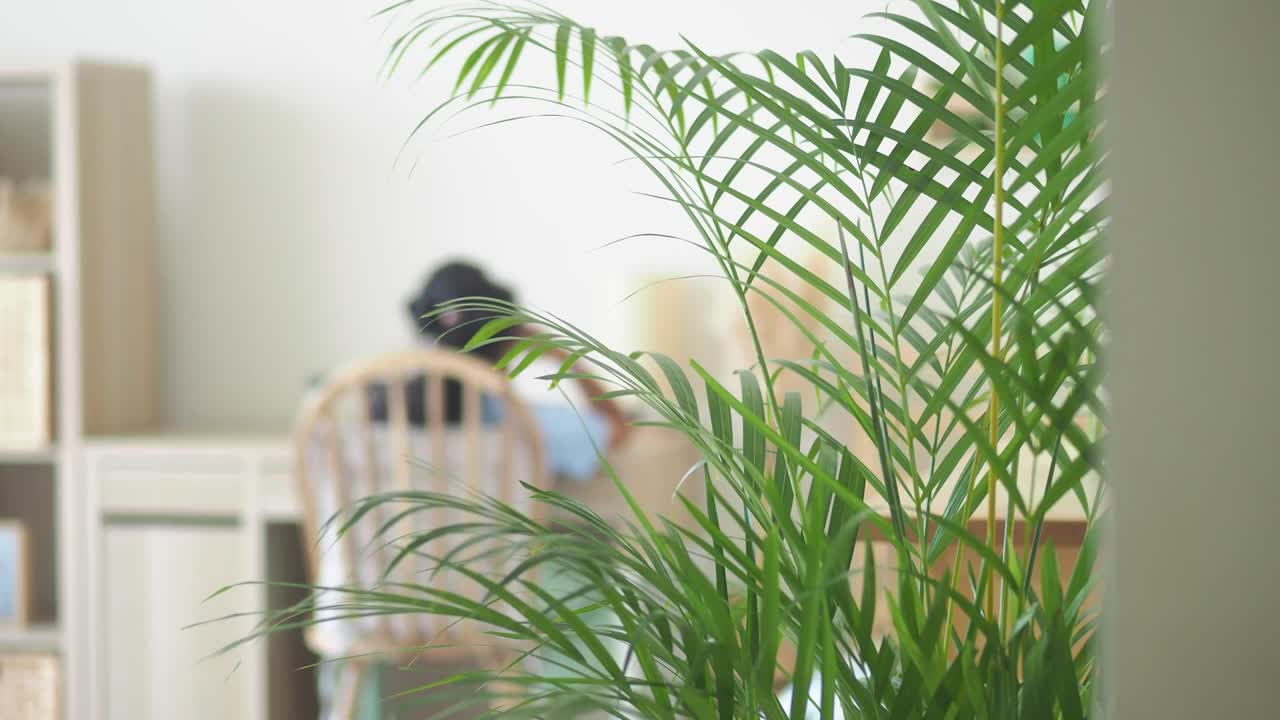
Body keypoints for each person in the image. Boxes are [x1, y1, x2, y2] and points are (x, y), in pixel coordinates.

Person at [368, 260, 630, 477]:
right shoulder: (520, 424)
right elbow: (618, 429)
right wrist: (565, 357)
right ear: (509, 339)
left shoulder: (383, 415)